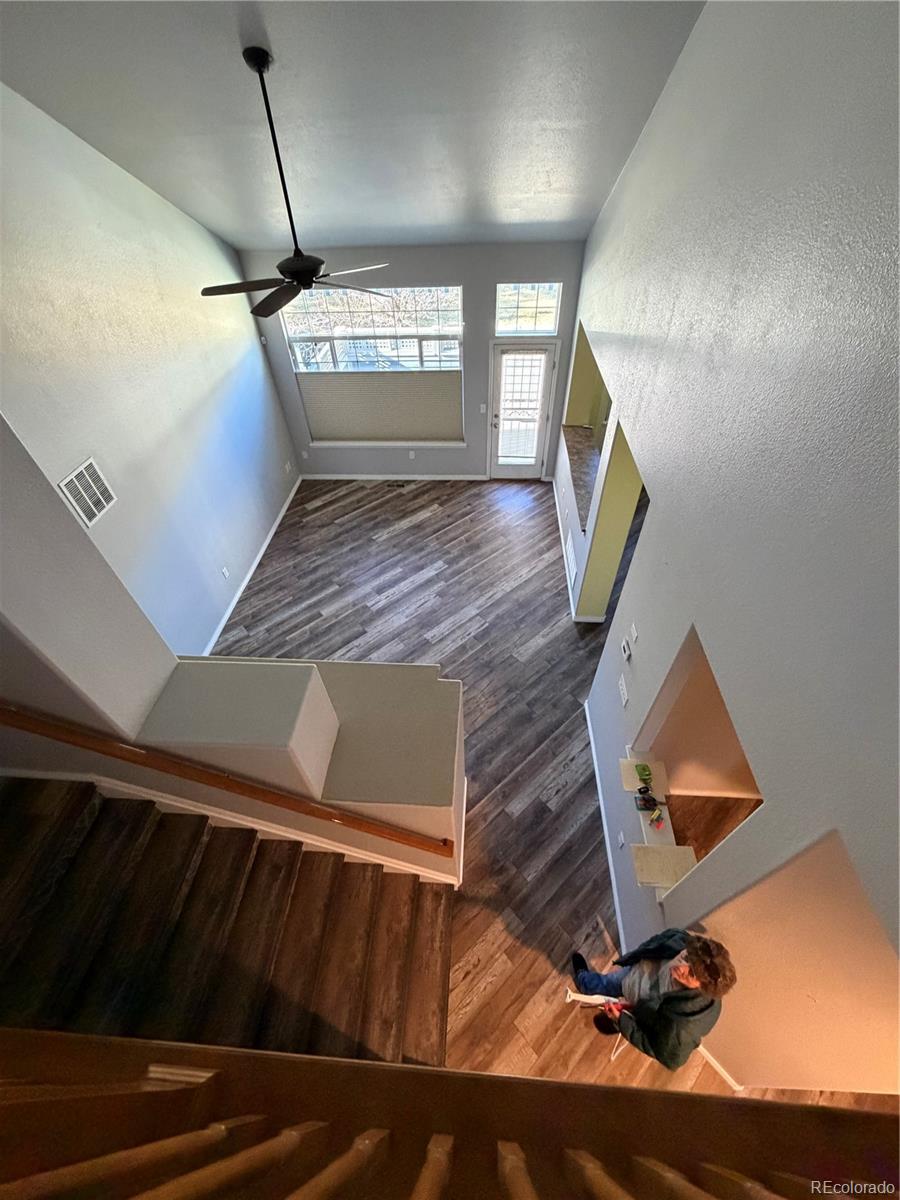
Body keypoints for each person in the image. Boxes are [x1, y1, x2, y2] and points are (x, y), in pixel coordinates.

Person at [571, 928, 736, 1071]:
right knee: (604, 984)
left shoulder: (683, 1028)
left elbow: (664, 1053)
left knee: (613, 1002)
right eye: (686, 957)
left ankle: (616, 1019)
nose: (680, 967)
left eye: (692, 973)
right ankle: (584, 981)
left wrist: (624, 1022)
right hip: (632, 977)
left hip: (641, 1005)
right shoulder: (680, 940)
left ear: (702, 987)